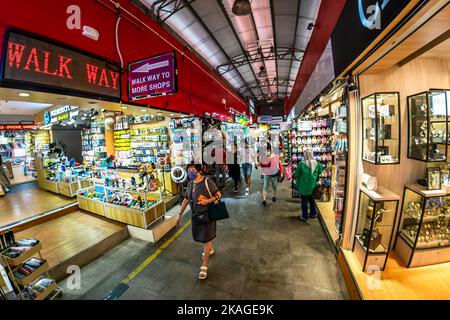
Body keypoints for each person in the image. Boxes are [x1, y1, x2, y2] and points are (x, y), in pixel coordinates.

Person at [177, 163, 222, 280]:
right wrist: (179, 214)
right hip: (196, 216)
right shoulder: (191, 184)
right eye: (188, 170)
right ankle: (209, 248)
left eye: (192, 170)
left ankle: (204, 266)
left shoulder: (207, 182)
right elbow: (186, 200)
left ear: (199, 171)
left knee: (206, 240)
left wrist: (208, 201)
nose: (189, 172)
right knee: (204, 238)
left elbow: (218, 194)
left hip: (208, 216)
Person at [293, 149, 322, 222]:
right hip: (313, 185)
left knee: (304, 202)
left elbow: (296, 174)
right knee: (312, 200)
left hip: (304, 186)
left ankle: (304, 216)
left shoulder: (301, 164)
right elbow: (320, 172)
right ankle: (313, 214)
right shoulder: (317, 163)